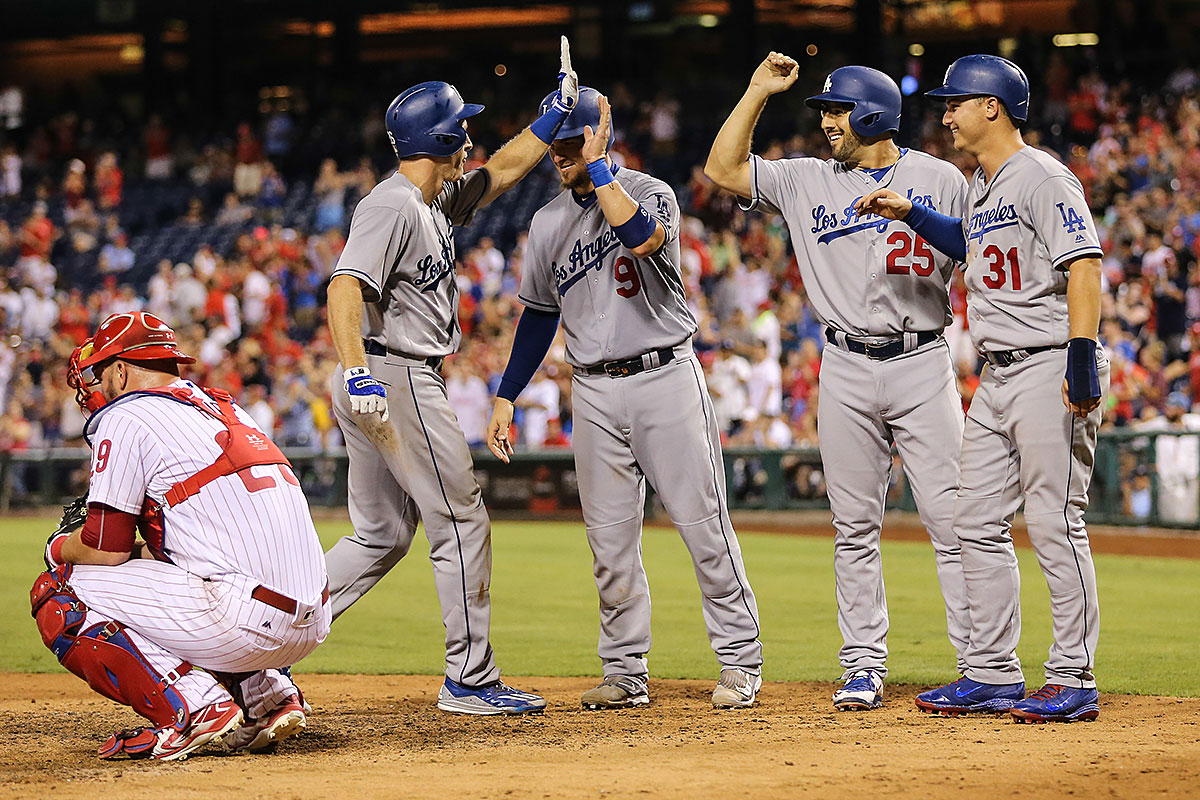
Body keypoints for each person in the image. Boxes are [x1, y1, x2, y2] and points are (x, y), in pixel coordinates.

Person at [323, 38, 583, 715]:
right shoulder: (393, 206)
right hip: (394, 375)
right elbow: (346, 287)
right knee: (461, 522)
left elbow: (501, 171)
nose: (470, 137)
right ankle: (470, 678)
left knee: (380, 535)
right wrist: (358, 374)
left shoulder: (432, 200)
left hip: (388, 372)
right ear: (441, 138)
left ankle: (260, 639)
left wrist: (552, 116)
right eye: (462, 127)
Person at [705, 54, 970, 711]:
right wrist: (757, 87)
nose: (827, 122)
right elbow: (722, 169)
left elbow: (980, 251)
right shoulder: (804, 179)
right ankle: (862, 664)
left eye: (837, 110)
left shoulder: (941, 177)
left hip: (922, 359)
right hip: (845, 363)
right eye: (824, 111)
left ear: (874, 113)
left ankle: (980, 660)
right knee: (853, 525)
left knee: (953, 520)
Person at [487, 88, 764, 710]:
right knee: (609, 543)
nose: (560, 157)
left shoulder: (648, 191)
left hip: (665, 374)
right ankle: (624, 671)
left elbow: (640, 239)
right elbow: (537, 317)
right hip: (591, 387)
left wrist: (600, 163)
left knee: (703, 526)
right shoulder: (547, 222)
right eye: (555, 147)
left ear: (597, 137)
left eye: (571, 144)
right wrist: (507, 394)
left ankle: (742, 660)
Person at [856, 54, 1108, 723]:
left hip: (1051, 359)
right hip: (997, 374)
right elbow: (970, 241)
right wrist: (912, 212)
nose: (946, 113)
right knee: (974, 523)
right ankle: (993, 673)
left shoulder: (1042, 176)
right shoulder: (983, 181)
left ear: (992, 106)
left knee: (1055, 522)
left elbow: (1084, 266)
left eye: (956, 102)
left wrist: (1081, 359)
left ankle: (1073, 676)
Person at [32, 311, 329, 761]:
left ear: (121, 369)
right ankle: (266, 694)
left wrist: (59, 546)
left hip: (245, 621)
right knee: (182, 567)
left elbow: (103, 550)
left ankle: (196, 709)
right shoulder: (224, 406)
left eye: (100, 374)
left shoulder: (129, 414)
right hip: (310, 619)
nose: (98, 387)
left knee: (59, 590)